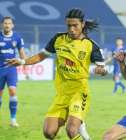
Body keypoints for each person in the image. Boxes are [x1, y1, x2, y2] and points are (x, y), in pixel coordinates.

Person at [6, 8, 107, 140]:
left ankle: (78, 123)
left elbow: (102, 69)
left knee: (71, 130)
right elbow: (41, 56)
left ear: (82, 24)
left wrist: (101, 70)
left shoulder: (91, 46)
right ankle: (79, 122)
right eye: (69, 25)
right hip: (62, 94)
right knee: (48, 132)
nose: (71, 29)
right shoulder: (58, 39)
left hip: (79, 92)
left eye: (75, 25)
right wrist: (23, 61)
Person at [0, 16, 26, 127]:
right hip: (0, 69)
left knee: (12, 91)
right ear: (2, 25)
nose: (7, 25)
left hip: (11, 69)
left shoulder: (17, 38)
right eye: (5, 23)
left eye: (9, 23)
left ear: (12, 25)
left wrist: (24, 64)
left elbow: (22, 53)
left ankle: (13, 120)